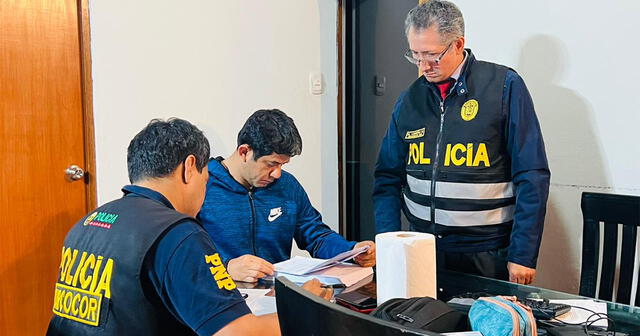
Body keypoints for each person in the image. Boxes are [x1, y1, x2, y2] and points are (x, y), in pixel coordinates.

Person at [46, 118, 331, 336]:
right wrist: (305, 310)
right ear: (189, 167)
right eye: (206, 176)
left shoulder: (89, 223)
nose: (206, 186)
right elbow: (233, 332)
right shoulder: (178, 233)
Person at [373, 0, 550, 285]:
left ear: (458, 44)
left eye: (432, 55)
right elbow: (387, 178)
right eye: (415, 55)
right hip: (423, 250)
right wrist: (389, 243)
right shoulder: (410, 99)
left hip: (486, 252)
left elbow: (532, 175)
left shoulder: (503, 86)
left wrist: (523, 254)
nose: (423, 66)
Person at [198, 109, 376, 283]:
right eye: (271, 164)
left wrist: (353, 251)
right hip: (222, 297)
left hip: (276, 295)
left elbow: (317, 237)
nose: (277, 174)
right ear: (244, 152)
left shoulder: (287, 186)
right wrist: (226, 267)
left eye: (282, 165)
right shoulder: (202, 185)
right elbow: (182, 255)